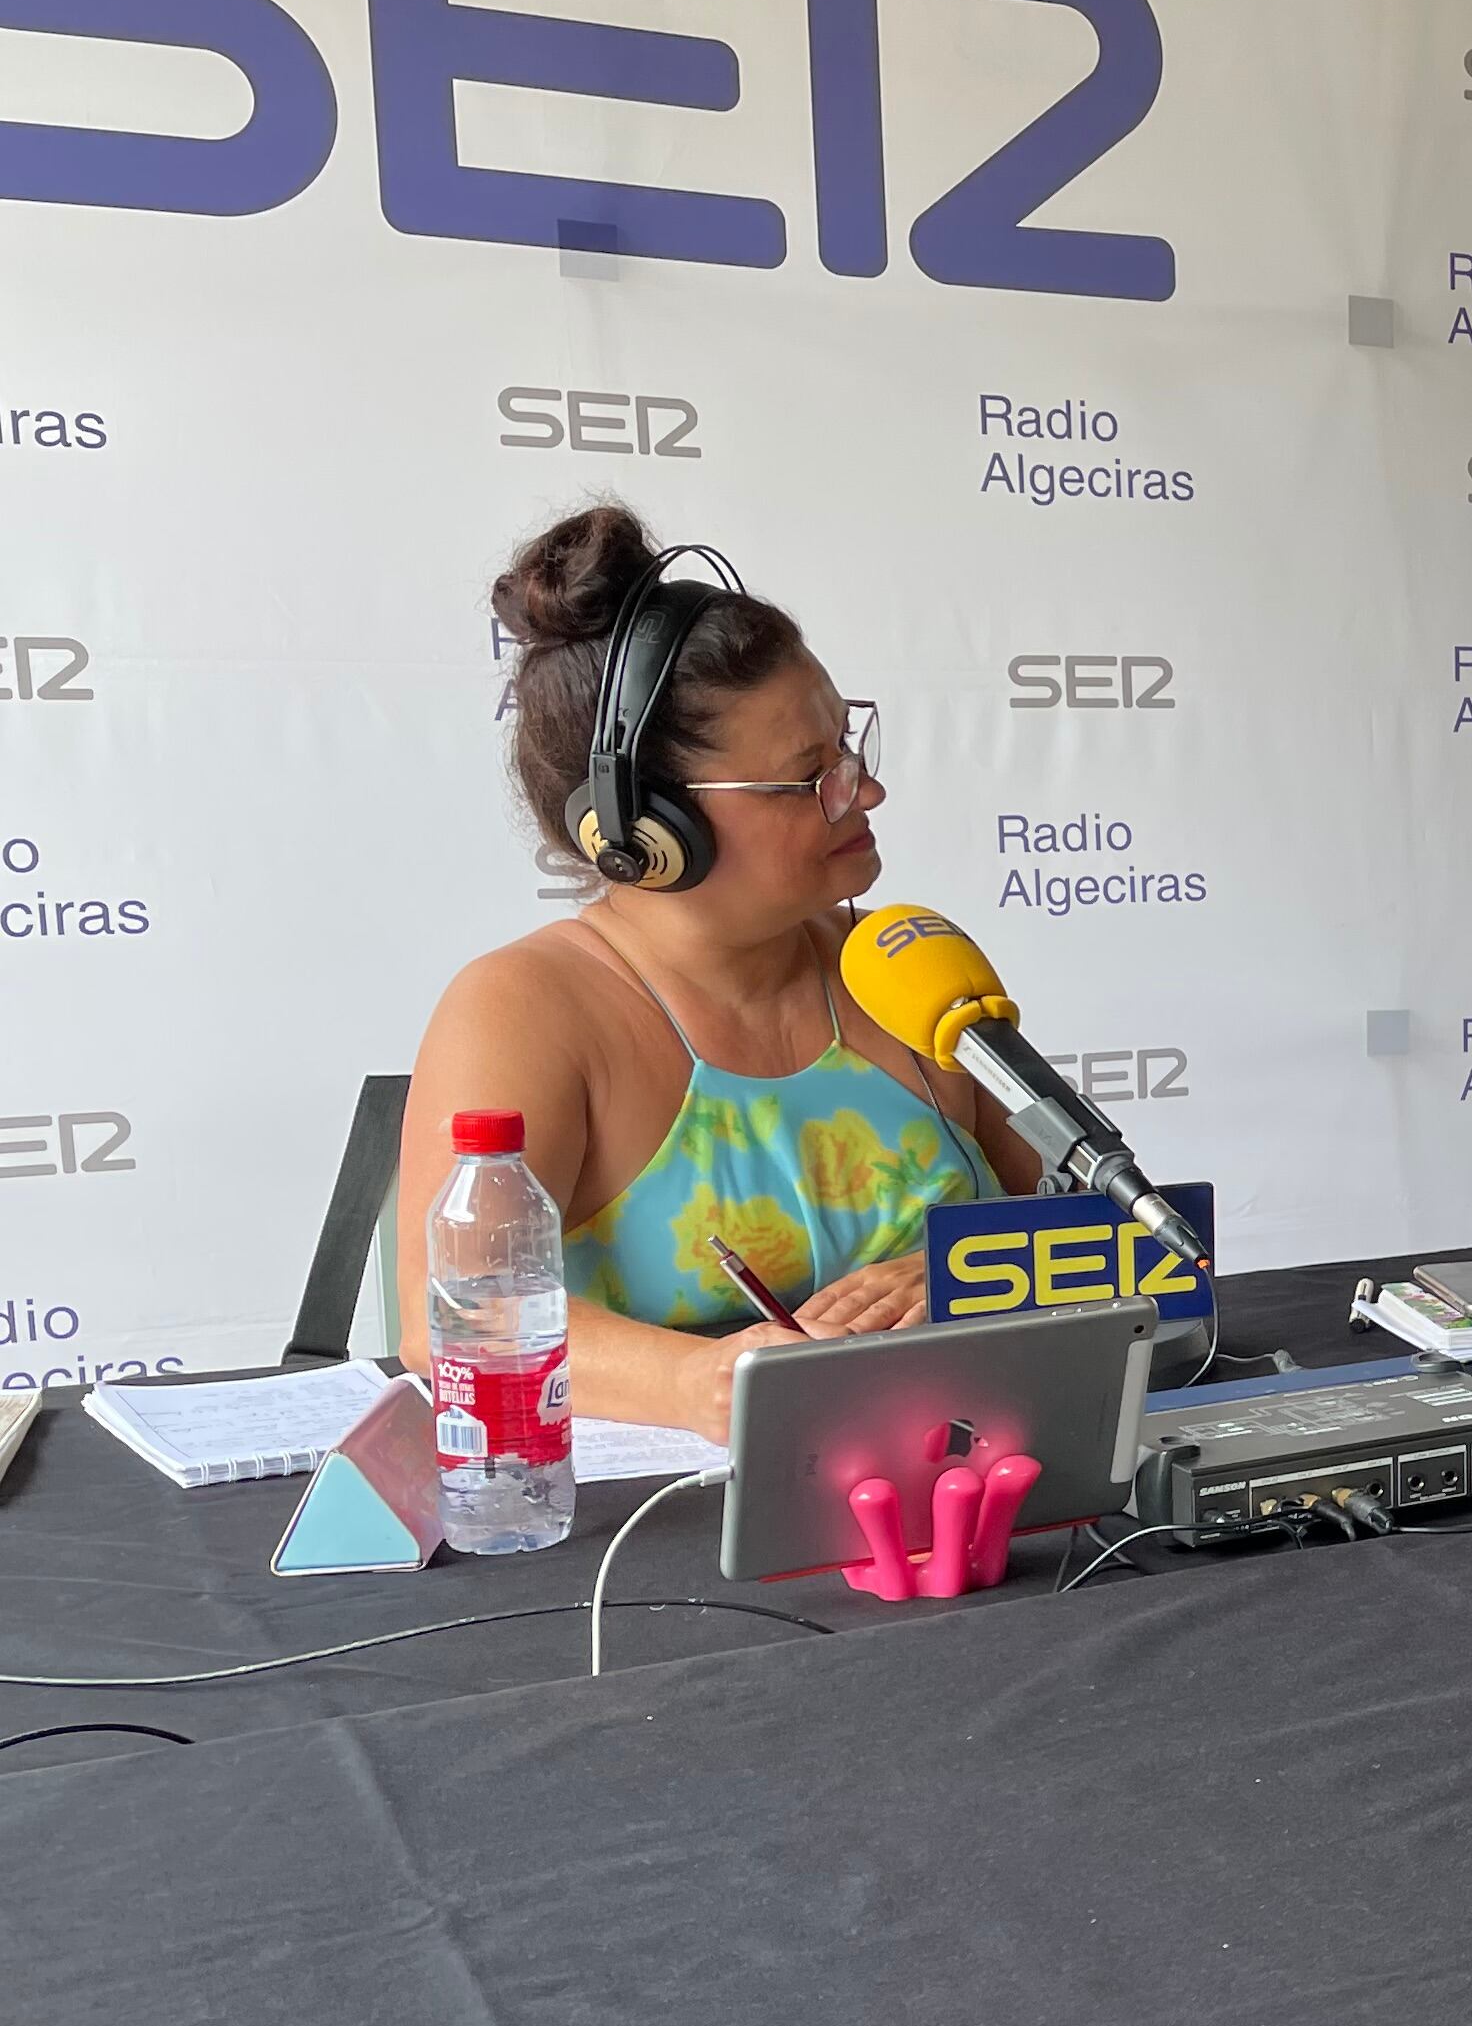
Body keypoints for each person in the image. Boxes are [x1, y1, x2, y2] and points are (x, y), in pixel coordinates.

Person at [395, 507, 1037, 1437]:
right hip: (659, 1537)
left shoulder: (902, 964)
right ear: (645, 833)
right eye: (809, 776)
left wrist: (973, 1276)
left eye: (851, 751)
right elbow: (449, 1318)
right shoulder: (524, 1008)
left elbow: (1108, 1222)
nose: (866, 793)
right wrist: (705, 1382)